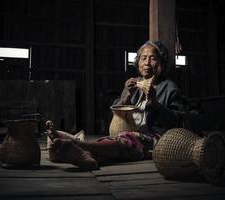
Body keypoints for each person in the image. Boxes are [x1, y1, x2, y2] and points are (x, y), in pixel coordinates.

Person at [46, 40, 185, 170]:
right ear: (138, 63)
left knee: (127, 139)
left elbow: (178, 121)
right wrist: (128, 95)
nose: (147, 62)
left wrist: (155, 104)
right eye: (143, 58)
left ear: (161, 63)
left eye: (153, 58)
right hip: (125, 134)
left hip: (154, 138)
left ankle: (78, 145)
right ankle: (86, 157)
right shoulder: (134, 83)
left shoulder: (169, 88)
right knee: (117, 142)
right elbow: (116, 110)